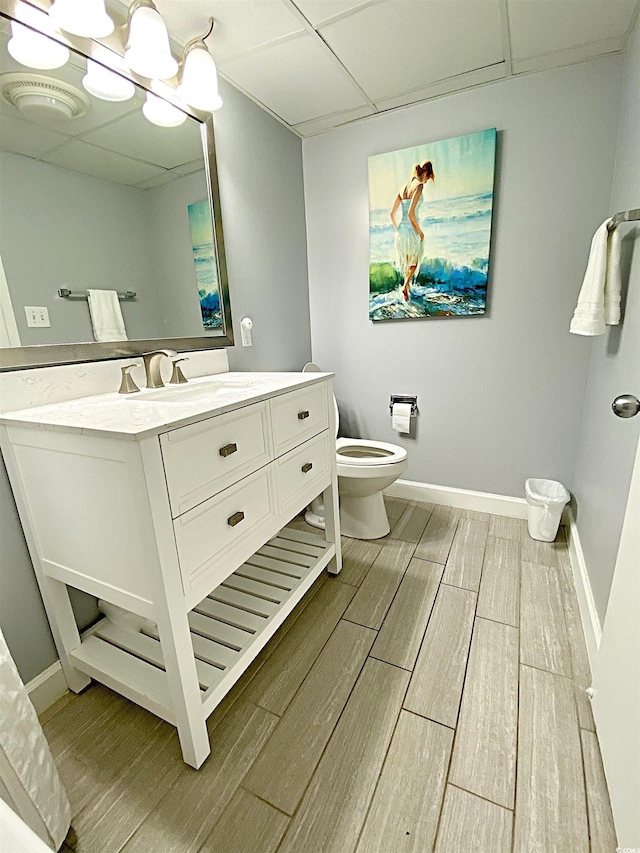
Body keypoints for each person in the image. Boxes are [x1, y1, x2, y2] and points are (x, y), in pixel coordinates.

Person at [390, 161, 435, 301]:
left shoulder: (403, 187)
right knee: (414, 262)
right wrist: (419, 231)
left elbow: (392, 214)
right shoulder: (419, 186)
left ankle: (406, 293)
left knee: (406, 262)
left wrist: (399, 229)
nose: (426, 182)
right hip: (411, 230)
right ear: (426, 173)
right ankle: (405, 286)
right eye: (428, 178)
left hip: (401, 231)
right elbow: (411, 213)